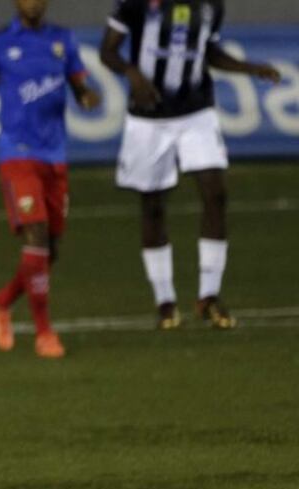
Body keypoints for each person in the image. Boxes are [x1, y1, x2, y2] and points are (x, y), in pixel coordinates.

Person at [100, 0, 280, 329]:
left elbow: (209, 51)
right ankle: (165, 301)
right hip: (149, 117)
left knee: (216, 194)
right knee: (153, 206)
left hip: (196, 112)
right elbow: (107, 51)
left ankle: (209, 296)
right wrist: (133, 75)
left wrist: (250, 68)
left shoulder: (211, 5)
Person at [0, 0, 100, 358]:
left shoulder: (63, 40)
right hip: (17, 155)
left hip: (55, 156)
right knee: (35, 235)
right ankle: (44, 333)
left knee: (50, 251)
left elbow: (80, 83)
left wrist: (86, 95)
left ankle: (1, 302)